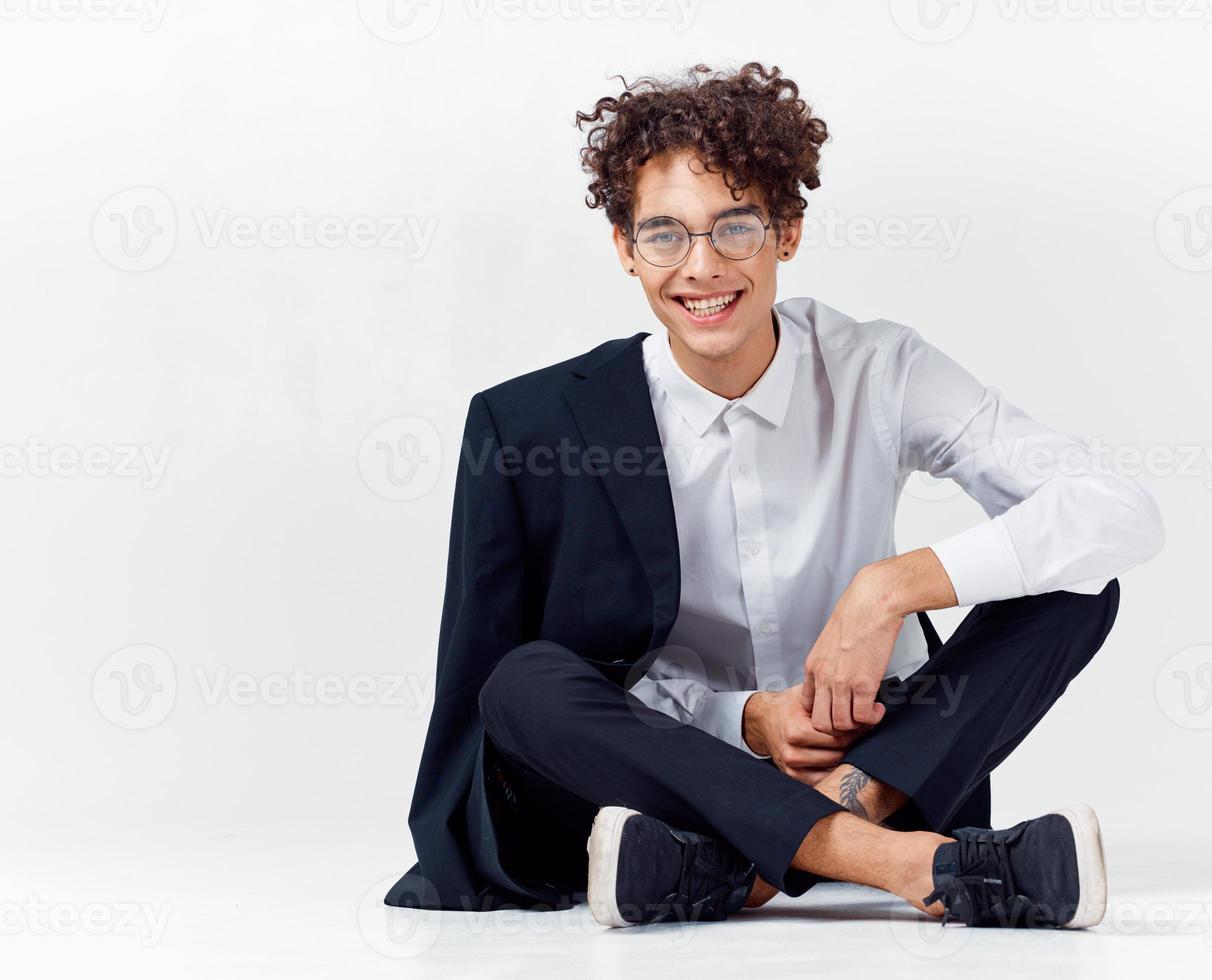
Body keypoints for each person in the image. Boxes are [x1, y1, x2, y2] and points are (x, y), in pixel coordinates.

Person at [386, 62, 1164, 930]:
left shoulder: (881, 370)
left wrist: (889, 588)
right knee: (521, 684)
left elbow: (1118, 509)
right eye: (665, 234)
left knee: (1076, 581)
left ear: (787, 231)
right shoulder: (530, 422)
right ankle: (904, 863)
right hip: (673, 777)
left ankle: (741, 870)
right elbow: (492, 702)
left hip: (881, 755)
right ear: (623, 247)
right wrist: (750, 722)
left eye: (735, 226)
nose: (703, 267)